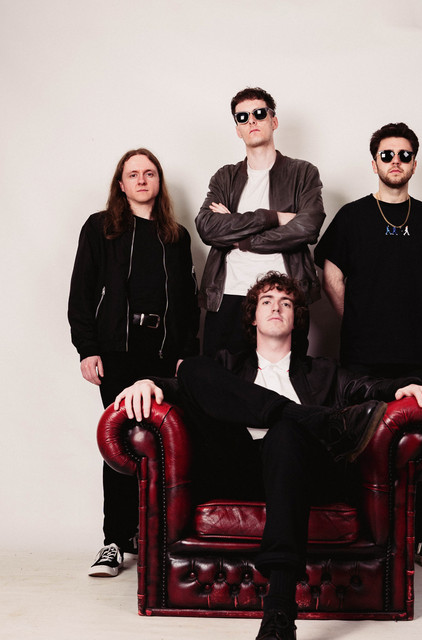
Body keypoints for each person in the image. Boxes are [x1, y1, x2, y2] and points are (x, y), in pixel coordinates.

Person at [115, 272, 422, 640]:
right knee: (192, 367)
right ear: (253, 317)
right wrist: (147, 383)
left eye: (286, 303)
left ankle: (278, 612)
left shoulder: (322, 371)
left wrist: (404, 386)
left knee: (286, 432)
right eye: (267, 301)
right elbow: (182, 385)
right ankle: (314, 420)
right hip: (238, 467)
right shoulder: (227, 364)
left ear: (296, 318)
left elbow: (368, 387)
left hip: (298, 474)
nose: (276, 307)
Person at [314, 122, 422, 570]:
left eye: (404, 155)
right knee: (358, 440)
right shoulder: (352, 216)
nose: (395, 162)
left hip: (419, 353)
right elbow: (331, 276)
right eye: (387, 155)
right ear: (374, 163)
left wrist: (415, 321)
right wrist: (362, 320)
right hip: (362, 353)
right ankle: (360, 533)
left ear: (414, 164)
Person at [68, 148, 199, 578]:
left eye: (149, 173)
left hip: (162, 355)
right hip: (116, 352)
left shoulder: (176, 236)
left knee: (164, 442)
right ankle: (114, 541)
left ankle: (152, 537)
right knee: (123, 442)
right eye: (133, 174)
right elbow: (81, 291)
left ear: (158, 182)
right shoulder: (100, 228)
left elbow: (189, 302)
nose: (142, 180)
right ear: (121, 185)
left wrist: (185, 355)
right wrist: (87, 348)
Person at [196, 87, 325, 356]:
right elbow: (207, 227)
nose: (251, 121)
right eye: (242, 117)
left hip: (283, 298)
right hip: (228, 296)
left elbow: (307, 227)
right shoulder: (225, 177)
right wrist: (273, 217)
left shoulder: (302, 173)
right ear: (237, 129)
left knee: (285, 378)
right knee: (220, 378)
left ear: (273, 121)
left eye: (259, 113)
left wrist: (242, 240)